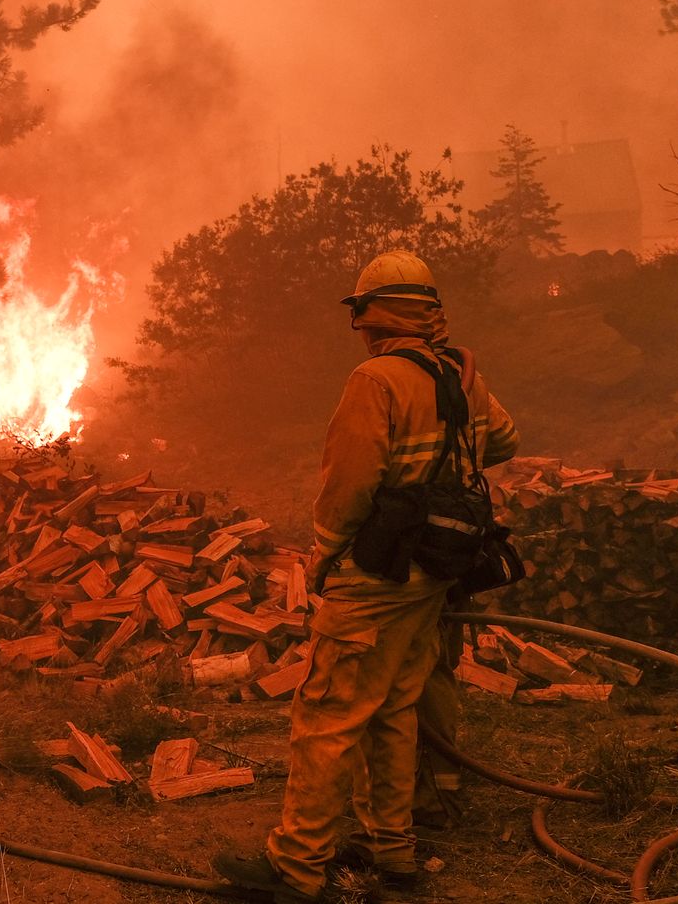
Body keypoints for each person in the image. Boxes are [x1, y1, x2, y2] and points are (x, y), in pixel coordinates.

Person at [214, 250, 518, 902]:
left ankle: (295, 868)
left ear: (371, 315)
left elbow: (349, 484)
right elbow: (504, 440)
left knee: (327, 714)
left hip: (377, 574)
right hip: (435, 570)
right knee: (395, 708)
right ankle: (392, 850)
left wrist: (324, 555)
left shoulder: (376, 381)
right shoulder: (460, 374)